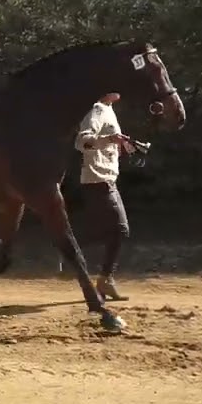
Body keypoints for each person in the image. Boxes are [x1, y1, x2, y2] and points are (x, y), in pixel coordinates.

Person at [63, 91, 135, 301]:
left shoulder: (109, 110)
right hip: (97, 180)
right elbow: (81, 141)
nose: (119, 90)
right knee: (119, 229)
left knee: (113, 230)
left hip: (107, 179)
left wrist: (121, 145)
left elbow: (104, 145)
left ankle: (100, 276)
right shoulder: (96, 109)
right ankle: (71, 252)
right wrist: (110, 139)